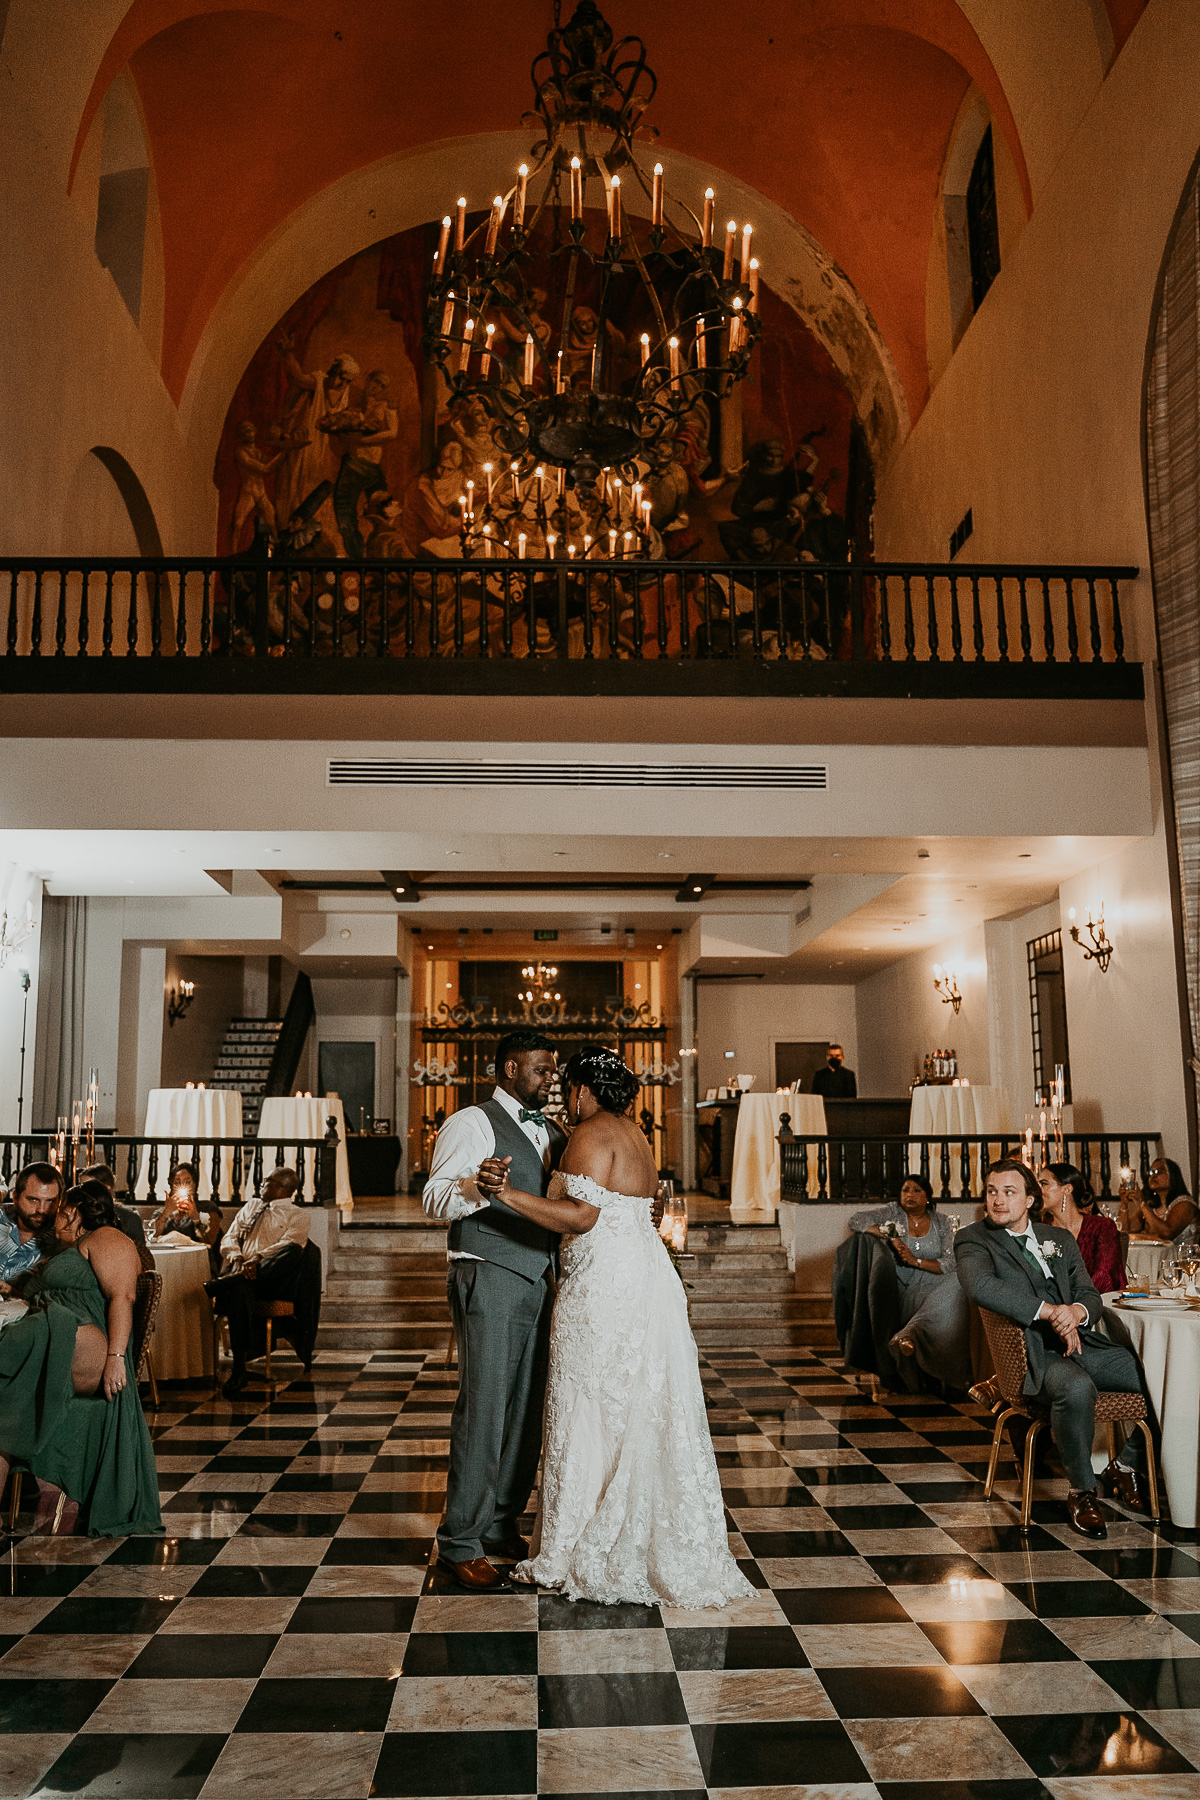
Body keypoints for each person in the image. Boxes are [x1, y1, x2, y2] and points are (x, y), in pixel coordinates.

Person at [476, 1044, 754, 1608]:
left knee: (587, 1403)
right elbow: (639, 1208)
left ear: (586, 1089)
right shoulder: (636, 1134)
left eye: (570, 1087)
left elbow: (582, 1215)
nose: (565, 1097)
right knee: (634, 1406)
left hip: (603, 1284)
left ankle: (577, 1543)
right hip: (645, 1276)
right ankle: (641, 1537)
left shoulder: (591, 1131)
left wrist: (506, 1194)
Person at [422, 1030, 564, 1591]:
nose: (549, 1078)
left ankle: (502, 1522)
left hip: (541, 1277)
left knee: (528, 1408)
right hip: (488, 1269)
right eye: (540, 1069)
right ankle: (460, 1542)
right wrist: (479, 1188)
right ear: (508, 1068)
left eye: (553, 1070)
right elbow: (434, 1198)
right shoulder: (471, 1122)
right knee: (484, 1407)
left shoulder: (552, 1131)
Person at [955, 1157, 1152, 1539]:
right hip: (1031, 1354)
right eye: (992, 1191)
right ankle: (1083, 1493)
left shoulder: (1057, 1239)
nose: (997, 1200)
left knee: (1166, 1376)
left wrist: (1076, 1312)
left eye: (1009, 1192)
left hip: (1082, 1344)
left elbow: (1089, 1294)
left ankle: (1126, 1464)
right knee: (1076, 1387)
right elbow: (981, 1287)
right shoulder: (973, 1239)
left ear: (1030, 1199)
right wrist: (1049, 1313)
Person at [0, 1181, 161, 1536]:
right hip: (50, 1332)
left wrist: (117, 1357)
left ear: (72, 1210)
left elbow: (122, 1297)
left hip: (79, 1341)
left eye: (56, 1207)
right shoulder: (68, 1246)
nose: (49, 1214)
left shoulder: (108, 1237)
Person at [843, 1174, 971, 1389]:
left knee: (960, 1286)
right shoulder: (893, 1212)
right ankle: (915, 1346)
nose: (909, 1195)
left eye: (916, 1190)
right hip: (906, 1284)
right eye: (905, 1190)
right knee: (935, 1299)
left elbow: (949, 1263)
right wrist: (891, 1235)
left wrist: (915, 1260)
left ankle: (910, 1336)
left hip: (937, 1279)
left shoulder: (941, 1221)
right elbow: (856, 1220)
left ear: (928, 1197)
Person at [209, 1168, 309, 1397]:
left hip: (271, 1279)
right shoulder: (252, 1206)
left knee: (290, 1252)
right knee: (240, 1290)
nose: (262, 1184)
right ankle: (239, 1371)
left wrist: (257, 1259)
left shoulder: (297, 1215)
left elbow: (288, 1245)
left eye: (269, 1182)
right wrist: (236, 1256)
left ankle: (230, 1281)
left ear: (283, 1188)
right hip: (242, 1274)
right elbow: (230, 1237)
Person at [1039, 1162, 1125, 1293]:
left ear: (1067, 1189)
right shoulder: (1041, 1231)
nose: (1037, 1190)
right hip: (1053, 1309)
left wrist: (1078, 1305)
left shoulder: (1102, 1227)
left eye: (1044, 1184)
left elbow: (1105, 1274)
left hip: (1099, 1305)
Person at [0, 1161, 60, 1293]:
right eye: (33, 1200)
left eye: (50, 1201)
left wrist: (12, 1292)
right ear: (15, 1197)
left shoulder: (64, 1238)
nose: (42, 1210)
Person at [78, 1162, 150, 1260]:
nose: (83, 1192)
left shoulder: (129, 1218)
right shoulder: (78, 1215)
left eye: (89, 1187)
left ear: (107, 1188)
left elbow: (140, 1255)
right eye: (80, 1187)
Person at [1118, 1156, 1197, 1244]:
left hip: (1179, 1256)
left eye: (1158, 1172)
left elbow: (1167, 1233)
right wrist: (1124, 1205)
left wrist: (1142, 1204)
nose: (1153, 1176)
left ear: (1172, 1175)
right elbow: (1125, 1231)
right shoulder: (1151, 1205)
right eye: (1150, 1173)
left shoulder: (1185, 1204)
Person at [151, 1163, 222, 1252]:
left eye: (187, 1182)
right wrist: (166, 1213)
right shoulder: (161, 1212)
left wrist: (196, 1218)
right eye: (177, 1182)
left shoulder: (207, 1208)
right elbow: (152, 1237)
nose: (182, 1185)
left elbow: (210, 1241)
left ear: (195, 1184)